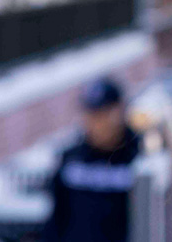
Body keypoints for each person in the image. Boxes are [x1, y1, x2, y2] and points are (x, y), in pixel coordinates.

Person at [44, 76, 142, 242]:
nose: (97, 123)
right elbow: (57, 218)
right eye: (91, 114)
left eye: (103, 114)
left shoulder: (141, 158)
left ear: (120, 110)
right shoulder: (71, 159)